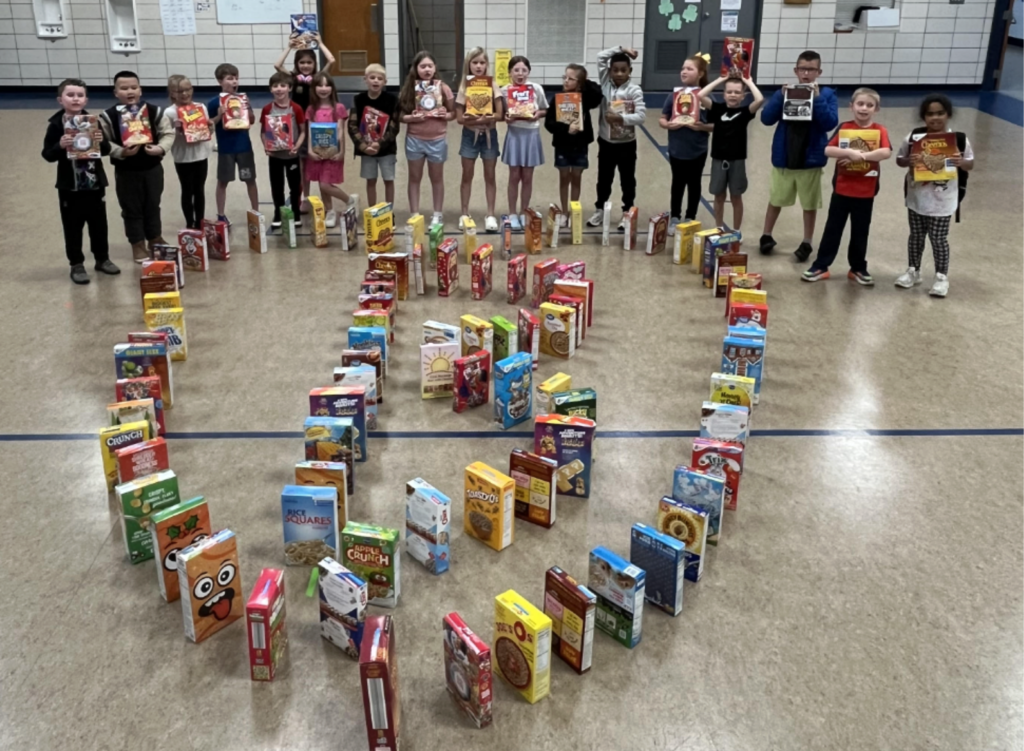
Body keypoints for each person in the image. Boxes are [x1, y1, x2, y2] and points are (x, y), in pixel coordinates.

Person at [801, 88, 891, 285]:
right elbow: (827, 149)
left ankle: (858, 268)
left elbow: (885, 152)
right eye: (860, 104)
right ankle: (821, 266)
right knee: (833, 229)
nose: (864, 108)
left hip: (866, 191)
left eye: (869, 105)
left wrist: (862, 156)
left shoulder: (880, 131)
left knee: (860, 231)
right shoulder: (844, 128)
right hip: (842, 189)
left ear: (876, 109)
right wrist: (848, 153)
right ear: (851, 107)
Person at [758, 50, 838, 259]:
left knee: (809, 203)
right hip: (784, 155)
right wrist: (779, 97)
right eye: (802, 69)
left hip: (810, 157)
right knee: (776, 198)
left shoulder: (828, 94)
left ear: (818, 72)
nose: (806, 73)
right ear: (796, 70)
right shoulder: (784, 92)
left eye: (811, 69)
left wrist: (818, 98)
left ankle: (807, 241)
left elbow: (830, 123)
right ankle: (766, 235)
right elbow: (766, 119)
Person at [894, 93, 973, 298]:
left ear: (948, 115)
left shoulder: (958, 140)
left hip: (943, 201)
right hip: (917, 198)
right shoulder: (914, 137)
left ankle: (941, 276)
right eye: (930, 114)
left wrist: (960, 162)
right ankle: (913, 270)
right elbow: (900, 160)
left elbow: (970, 164)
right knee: (916, 236)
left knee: (939, 239)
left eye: (940, 113)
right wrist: (908, 161)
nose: (935, 118)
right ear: (923, 116)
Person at [42, 78, 120, 283]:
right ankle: (76, 264)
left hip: (94, 183)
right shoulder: (56, 125)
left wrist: (100, 140)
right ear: (60, 99)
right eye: (70, 95)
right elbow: (47, 155)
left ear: (86, 100)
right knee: (72, 226)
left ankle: (102, 259)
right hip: (69, 186)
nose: (75, 99)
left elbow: (104, 151)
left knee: (99, 224)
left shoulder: (93, 122)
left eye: (80, 95)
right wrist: (59, 145)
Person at [99, 70, 174, 262]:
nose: (129, 91)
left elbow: (168, 133)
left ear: (140, 90)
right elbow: (102, 143)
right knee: (131, 208)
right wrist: (121, 152)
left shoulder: (154, 111)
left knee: (153, 204)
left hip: (152, 168)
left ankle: (155, 238)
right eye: (124, 88)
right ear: (116, 92)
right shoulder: (107, 117)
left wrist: (160, 148)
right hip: (126, 170)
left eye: (134, 87)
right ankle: (137, 243)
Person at [695, 72, 764, 233]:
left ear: (743, 96)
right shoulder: (717, 109)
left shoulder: (745, 112)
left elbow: (759, 99)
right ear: (724, 94)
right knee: (718, 196)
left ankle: (736, 230)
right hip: (718, 159)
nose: (733, 95)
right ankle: (718, 227)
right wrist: (722, 79)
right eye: (729, 92)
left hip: (737, 160)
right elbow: (700, 95)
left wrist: (748, 82)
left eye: (737, 92)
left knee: (736, 197)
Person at [274, 36, 335, 213]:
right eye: (302, 62)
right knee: (303, 164)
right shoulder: (293, 78)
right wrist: (289, 47)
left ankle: (326, 200)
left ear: (314, 64)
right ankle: (305, 198)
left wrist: (321, 43)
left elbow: (331, 60)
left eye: (309, 62)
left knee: (320, 161)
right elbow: (277, 65)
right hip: (299, 126)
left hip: (317, 125)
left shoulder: (318, 79)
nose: (306, 65)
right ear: (297, 64)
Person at [589, 46, 645, 231]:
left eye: (624, 70)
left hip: (627, 144)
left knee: (627, 179)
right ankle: (600, 210)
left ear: (630, 71)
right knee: (604, 178)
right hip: (606, 142)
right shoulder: (605, 84)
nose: (619, 73)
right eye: (615, 70)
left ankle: (627, 211)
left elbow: (641, 117)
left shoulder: (634, 90)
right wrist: (623, 49)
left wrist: (620, 118)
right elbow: (600, 56)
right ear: (609, 71)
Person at [398, 51, 455, 225]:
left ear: (435, 68)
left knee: (436, 178)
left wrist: (446, 114)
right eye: (423, 66)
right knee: (414, 177)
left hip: (437, 139)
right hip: (415, 139)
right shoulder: (408, 89)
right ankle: (414, 213)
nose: (427, 69)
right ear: (416, 69)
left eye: (430, 66)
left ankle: (437, 214)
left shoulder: (443, 88)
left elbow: (453, 114)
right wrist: (411, 118)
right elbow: (400, 116)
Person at [659, 54, 713, 234]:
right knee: (678, 183)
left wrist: (702, 127)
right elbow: (662, 118)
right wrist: (668, 125)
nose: (684, 71)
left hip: (698, 149)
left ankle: (691, 217)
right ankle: (675, 217)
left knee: (694, 182)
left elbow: (715, 125)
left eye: (689, 69)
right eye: (683, 68)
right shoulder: (674, 95)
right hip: (676, 149)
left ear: (700, 74)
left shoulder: (706, 98)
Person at [543, 63, 602, 225]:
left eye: (571, 78)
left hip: (580, 144)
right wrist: (566, 128)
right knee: (564, 177)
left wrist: (585, 81)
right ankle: (564, 211)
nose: (566, 81)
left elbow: (598, 93)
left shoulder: (586, 98)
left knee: (577, 176)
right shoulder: (557, 99)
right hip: (562, 144)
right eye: (565, 77)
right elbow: (549, 123)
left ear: (580, 82)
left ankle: (574, 210)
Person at [455, 47, 503, 232]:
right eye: (474, 62)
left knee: (490, 176)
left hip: (489, 135)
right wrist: (475, 118)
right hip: (469, 136)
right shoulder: (463, 87)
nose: (478, 66)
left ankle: (490, 214)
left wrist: (485, 118)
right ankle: (464, 213)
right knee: (467, 175)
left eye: (482, 62)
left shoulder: (493, 85)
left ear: (487, 65)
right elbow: (459, 118)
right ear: (468, 64)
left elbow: (499, 114)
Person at [207, 63, 258, 225]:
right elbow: (209, 125)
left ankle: (255, 211)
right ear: (219, 81)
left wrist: (247, 107)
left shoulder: (242, 99)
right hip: (226, 149)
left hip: (244, 147)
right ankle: (221, 214)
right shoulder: (214, 103)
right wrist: (218, 116)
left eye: (236, 78)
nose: (234, 81)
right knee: (223, 181)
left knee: (250, 179)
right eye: (230, 78)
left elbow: (251, 120)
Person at [502, 56, 547, 229]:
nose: (520, 74)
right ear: (510, 72)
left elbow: (545, 109)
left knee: (527, 177)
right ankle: (512, 212)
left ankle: (524, 211)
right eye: (516, 70)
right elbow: (501, 113)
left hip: (531, 135)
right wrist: (505, 117)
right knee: (514, 176)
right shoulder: (505, 90)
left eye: (524, 70)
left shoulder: (535, 88)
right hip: (514, 134)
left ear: (529, 72)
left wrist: (538, 114)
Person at [305, 72, 355, 226]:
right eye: (320, 85)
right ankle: (330, 211)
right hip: (316, 152)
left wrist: (341, 152)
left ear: (333, 88)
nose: (323, 88)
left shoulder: (338, 108)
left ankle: (350, 200)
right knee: (321, 182)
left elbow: (341, 132)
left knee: (325, 184)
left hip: (333, 152)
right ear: (314, 88)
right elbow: (309, 131)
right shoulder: (311, 109)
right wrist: (309, 151)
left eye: (327, 85)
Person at [348, 63, 400, 208]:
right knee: (370, 180)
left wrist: (380, 143)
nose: (376, 81)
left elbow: (395, 126)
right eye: (372, 77)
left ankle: (389, 212)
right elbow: (352, 125)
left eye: (380, 78)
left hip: (387, 149)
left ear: (385, 82)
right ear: (365, 79)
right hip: (366, 149)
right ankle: (372, 211)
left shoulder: (392, 100)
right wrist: (363, 146)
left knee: (388, 180)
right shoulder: (358, 99)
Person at [260, 72, 306, 229]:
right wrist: (266, 146)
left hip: (292, 155)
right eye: (275, 86)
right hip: (275, 155)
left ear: (289, 88)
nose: (279, 89)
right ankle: (278, 213)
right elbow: (263, 132)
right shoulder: (267, 109)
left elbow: (303, 131)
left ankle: (296, 212)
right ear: (270, 89)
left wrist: (297, 146)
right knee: (277, 186)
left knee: (295, 186)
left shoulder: (296, 108)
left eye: (282, 86)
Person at [165, 74, 212, 229]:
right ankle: (189, 223)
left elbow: (206, 130)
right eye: (179, 91)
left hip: (201, 154)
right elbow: (165, 135)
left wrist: (209, 126)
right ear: (172, 93)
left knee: (199, 189)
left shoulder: (200, 107)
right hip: (182, 157)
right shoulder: (170, 112)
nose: (184, 94)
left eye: (187, 90)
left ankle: (200, 221)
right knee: (187, 190)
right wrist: (175, 129)